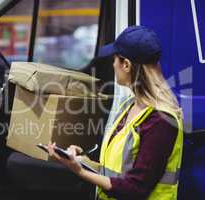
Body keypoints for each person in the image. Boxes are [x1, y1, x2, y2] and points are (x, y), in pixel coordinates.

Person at [47, 25, 183, 200]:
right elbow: (117, 166)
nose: (112, 65)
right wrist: (82, 158)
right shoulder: (129, 106)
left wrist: (80, 171)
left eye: (114, 59)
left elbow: (135, 189)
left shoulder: (161, 121)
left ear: (126, 65)